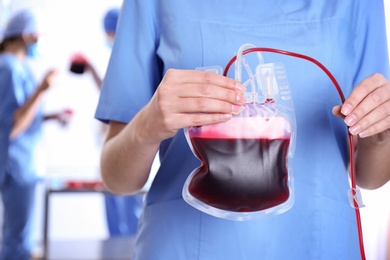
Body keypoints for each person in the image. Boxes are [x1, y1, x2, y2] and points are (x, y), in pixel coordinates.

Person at [95, 1, 390, 259]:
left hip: (320, 242)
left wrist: (380, 136)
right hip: (184, 245)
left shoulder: (359, 3)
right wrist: (148, 126)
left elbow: (370, 176)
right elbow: (117, 178)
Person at [0, 9, 67, 260]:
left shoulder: (17, 66)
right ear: (27, 35)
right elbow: (12, 127)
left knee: (18, 235)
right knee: (17, 239)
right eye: (38, 35)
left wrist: (50, 116)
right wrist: (41, 90)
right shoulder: (8, 67)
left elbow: (22, 117)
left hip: (24, 164)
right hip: (18, 165)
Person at [79, 7, 143, 237]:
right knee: (112, 200)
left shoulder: (134, 59)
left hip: (128, 141)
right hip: (110, 139)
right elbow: (109, 95)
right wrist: (91, 70)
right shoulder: (118, 59)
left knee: (128, 201)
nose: (109, 38)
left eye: (111, 33)